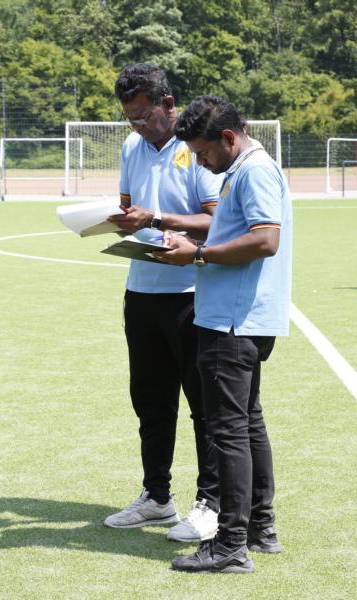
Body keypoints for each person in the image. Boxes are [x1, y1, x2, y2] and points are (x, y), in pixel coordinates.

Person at [156, 95, 292, 574]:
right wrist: (195, 243)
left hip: (231, 322)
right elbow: (240, 233)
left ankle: (231, 543)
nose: (200, 162)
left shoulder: (253, 171)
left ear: (229, 137)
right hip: (244, 317)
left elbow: (265, 240)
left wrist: (196, 254)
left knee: (228, 431)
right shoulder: (247, 168)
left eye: (203, 152)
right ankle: (260, 528)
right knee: (247, 424)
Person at [101, 64, 222, 543]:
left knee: (204, 408)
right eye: (129, 117)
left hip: (192, 294)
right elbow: (129, 207)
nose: (136, 126)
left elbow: (218, 221)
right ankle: (156, 497)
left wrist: (159, 220)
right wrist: (115, 220)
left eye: (143, 116)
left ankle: (210, 504)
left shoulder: (197, 148)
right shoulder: (131, 147)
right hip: (141, 292)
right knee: (150, 402)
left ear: (168, 105)